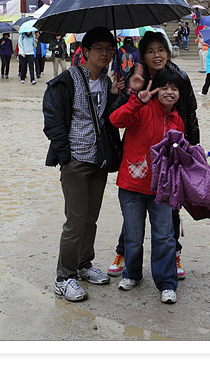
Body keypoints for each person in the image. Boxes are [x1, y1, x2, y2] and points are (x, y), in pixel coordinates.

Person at [108, 30, 200, 281]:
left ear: (168, 53)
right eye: (150, 51)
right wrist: (127, 91)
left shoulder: (179, 77)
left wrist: (192, 147)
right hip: (140, 151)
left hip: (172, 149)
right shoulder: (135, 77)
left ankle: (174, 254)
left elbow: (190, 111)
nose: (156, 55)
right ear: (143, 56)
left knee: (171, 207)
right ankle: (123, 252)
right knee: (134, 209)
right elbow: (115, 114)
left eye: (161, 50)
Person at [42, 27, 124, 303]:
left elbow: (109, 119)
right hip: (76, 160)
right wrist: (65, 158)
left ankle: (83, 264)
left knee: (90, 218)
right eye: (99, 48)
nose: (105, 53)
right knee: (75, 221)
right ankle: (64, 277)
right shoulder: (66, 81)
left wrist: (116, 95)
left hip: (99, 159)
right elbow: (53, 121)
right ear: (85, 51)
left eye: (109, 49)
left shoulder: (106, 81)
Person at [109, 68, 184, 304]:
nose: (169, 92)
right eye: (165, 88)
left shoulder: (178, 120)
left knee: (164, 237)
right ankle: (132, 274)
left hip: (161, 189)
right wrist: (136, 102)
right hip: (132, 184)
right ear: (156, 89)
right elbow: (115, 120)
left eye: (174, 88)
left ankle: (167, 283)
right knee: (133, 236)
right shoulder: (141, 108)